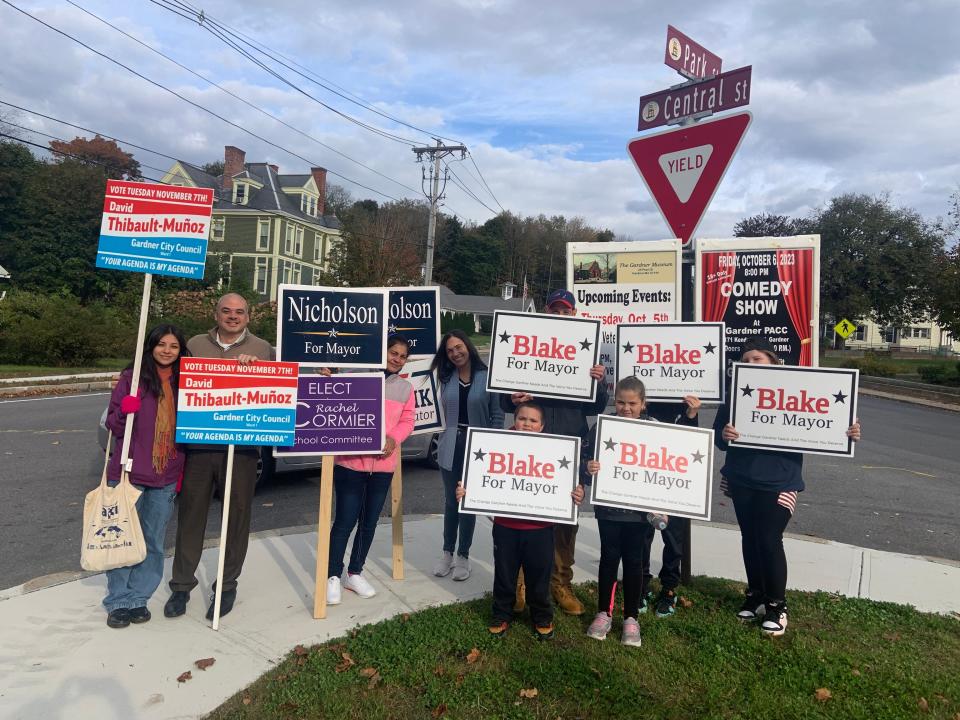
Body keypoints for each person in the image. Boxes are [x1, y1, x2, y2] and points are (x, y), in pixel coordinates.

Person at [713, 337, 862, 637]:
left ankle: (777, 606)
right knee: (750, 538)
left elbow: (826, 422)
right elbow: (719, 439)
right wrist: (725, 433)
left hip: (780, 480)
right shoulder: (736, 393)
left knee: (769, 540)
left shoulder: (798, 387)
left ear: (772, 361)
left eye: (758, 358)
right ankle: (755, 594)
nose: (751, 363)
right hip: (742, 477)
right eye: (747, 358)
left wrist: (848, 431)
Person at [164, 293, 274, 621]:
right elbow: (174, 380)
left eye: (239, 312)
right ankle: (181, 585)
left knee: (236, 518)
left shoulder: (262, 348)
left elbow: (281, 385)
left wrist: (260, 370)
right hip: (199, 446)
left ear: (248, 317)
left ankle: (226, 585)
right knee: (190, 516)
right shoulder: (195, 344)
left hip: (241, 449)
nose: (232, 316)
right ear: (217, 313)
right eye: (226, 311)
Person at [499, 288, 607, 616]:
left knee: (566, 521)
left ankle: (561, 583)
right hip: (532, 447)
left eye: (566, 311)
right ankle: (521, 583)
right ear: (547, 312)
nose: (560, 315)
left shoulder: (584, 351)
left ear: (574, 314)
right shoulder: (531, 343)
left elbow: (597, 406)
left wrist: (598, 383)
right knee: (526, 514)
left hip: (571, 448)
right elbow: (505, 398)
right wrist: (513, 398)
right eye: (555, 310)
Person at [455, 401, 584, 640]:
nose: (527, 424)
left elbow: (570, 485)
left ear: (542, 425)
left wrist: (578, 494)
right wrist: (466, 492)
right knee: (505, 574)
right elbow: (482, 476)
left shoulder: (555, 449)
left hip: (541, 527)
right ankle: (501, 614)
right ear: (514, 420)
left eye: (533, 421)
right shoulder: (499, 444)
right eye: (522, 419)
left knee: (539, 577)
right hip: (506, 526)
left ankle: (542, 616)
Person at [102, 324, 189, 628]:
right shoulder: (132, 379)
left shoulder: (187, 383)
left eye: (174, 346)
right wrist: (125, 411)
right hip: (128, 473)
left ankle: (139, 597)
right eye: (161, 344)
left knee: (152, 540)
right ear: (150, 346)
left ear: (181, 351)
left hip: (165, 475)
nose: (167, 350)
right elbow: (113, 426)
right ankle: (118, 601)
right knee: (122, 539)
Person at [327, 335, 416, 605]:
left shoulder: (406, 388)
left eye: (402, 356)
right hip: (350, 463)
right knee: (344, 521)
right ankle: (332, 575)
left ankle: (355, 572)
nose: (396, 359)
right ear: (383, 351)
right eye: (393, 352)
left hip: (383, 466)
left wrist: (394, 438)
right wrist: (327, 377)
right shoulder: (357, 374)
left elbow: (408, 420)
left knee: (369, 522)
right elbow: (332, 398)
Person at [582, 376, 657, 647]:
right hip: (609, 509)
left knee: (635, 562)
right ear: (615, 402)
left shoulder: (655, 430)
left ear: (643, 403)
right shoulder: (602, 427)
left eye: (632, 403)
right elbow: (585, 463)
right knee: (609, 559)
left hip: (639, 512)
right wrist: (587, 468)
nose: (626, 408)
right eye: (621, 402)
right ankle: (604, 612)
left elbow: (669, 465)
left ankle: (631, 617)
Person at [430, 329, 504, 581]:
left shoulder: (487, 376)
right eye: (450, 350)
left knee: (467, 503)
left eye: (458, 347)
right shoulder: (445, 377)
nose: (455, 353)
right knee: (452, 502)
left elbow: (497, 416)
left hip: (479, 448)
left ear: (468, 346)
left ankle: (463, 555)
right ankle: (447, 553)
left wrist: (493, 445)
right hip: (450, 445)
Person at [643, 395, 701, 617]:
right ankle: (642, 585)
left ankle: (669, 589)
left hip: (675, 480)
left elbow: (692, 440)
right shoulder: (643, 403)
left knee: (674, 539)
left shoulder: (685, 404)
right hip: (645, 476)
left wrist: (692, 414)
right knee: (643, 536)